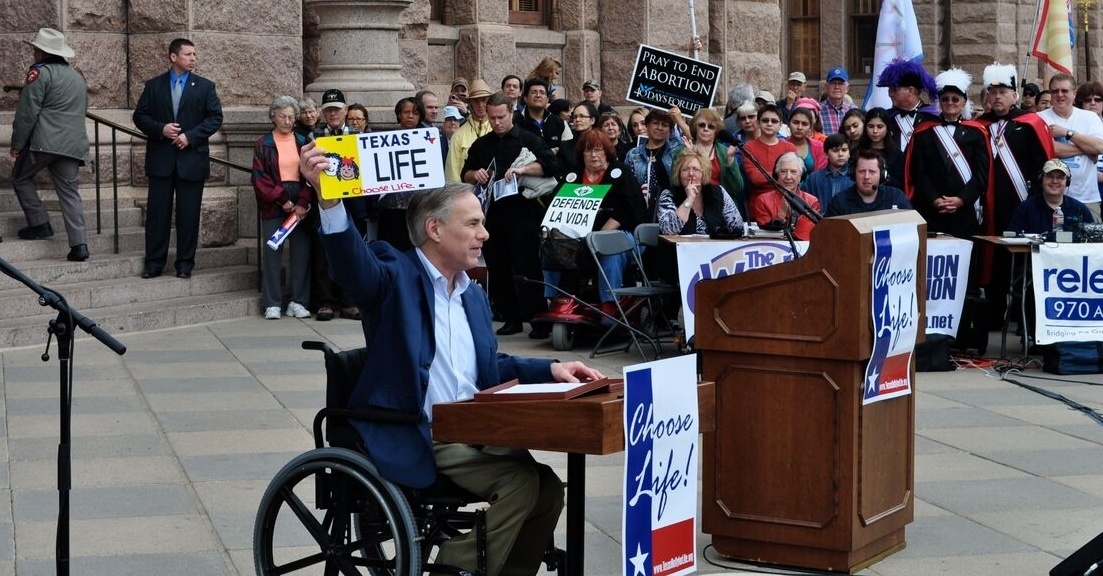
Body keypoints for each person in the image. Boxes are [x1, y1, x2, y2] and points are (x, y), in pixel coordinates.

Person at [300, 141, 605, 574]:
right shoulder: (394, 276)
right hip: (421, 430)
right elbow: (353, 268)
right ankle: (455, 568)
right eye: (474, 223)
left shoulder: (473, 295)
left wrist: (553, 368)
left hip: (476, 429)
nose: (485, 234)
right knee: (520, 485)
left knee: (550, 488)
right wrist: (328, 200)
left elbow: (489, 369)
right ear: (435, 229)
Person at [462, 92, 562, 338]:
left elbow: (551, 164)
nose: (497, 122)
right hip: (492, 215)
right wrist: (476, 175)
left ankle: (538, 318)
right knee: (498, 267)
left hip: (523, 213)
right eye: (492, 118)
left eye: (501, 117)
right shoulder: (481, 144)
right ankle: (510, 317)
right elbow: (465, 172)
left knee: (528, 266)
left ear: (512, 112)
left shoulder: (528, 138)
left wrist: (523, 169)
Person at [133, 37, 223, 279]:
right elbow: (140, 116)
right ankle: (153, 263)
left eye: (195, 54)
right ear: (173, 57)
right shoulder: (153, 86)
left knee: (188, 215)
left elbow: (215, 118)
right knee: (157, 215)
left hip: (191, 160)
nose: (193, 58)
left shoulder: (205, 87)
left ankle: (185, 264)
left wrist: (190, 136)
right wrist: (160, 129)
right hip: (161, 160)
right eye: (188, 54)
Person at [975, 63, 1055, 328]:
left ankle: (1025, 322)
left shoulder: (1030, 123)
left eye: (1003, 91)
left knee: (1025, 264)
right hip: (989, 207)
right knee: (994, 261)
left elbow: (1042, 164)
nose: (997, 96)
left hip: (1022, 205)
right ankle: (996, 316)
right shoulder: (978, 126)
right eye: (993, 91)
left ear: (1014, 96)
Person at [10, 28, 90, 260]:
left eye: (35, 50)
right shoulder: (77, 77)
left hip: (44, 143)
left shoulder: (39, 73)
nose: (33, 54)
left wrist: (18, 143)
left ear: (42, 53)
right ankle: (80, 246)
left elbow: (27, 113)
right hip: (73, 145)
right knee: (69, 194)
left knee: (20, 177)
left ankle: (39, 223)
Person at [550, 130, 649, 317]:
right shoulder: (573, 175)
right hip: (578, 237)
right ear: (581, 154)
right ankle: (559, 297)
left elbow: (628, 210)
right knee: (553, 246)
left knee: (610, 247)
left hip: (622, 234)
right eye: (588, 151)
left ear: (607, 152)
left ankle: (609, 303)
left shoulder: (620, 172)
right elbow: (556, 206)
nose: (593, 155)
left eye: (598, 150)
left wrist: (598, 236)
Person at [905, 68, 990, 238]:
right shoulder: (923, 132)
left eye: (955, 99)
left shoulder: (977, 132)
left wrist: (961, 200)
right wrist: (935, 199)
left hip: (965, 210)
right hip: (931, 209)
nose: (950, 102)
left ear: (964, 102)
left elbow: (981, 174)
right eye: (945, 99)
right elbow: (918, 173)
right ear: (940, 103)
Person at [251, 95, 311, 319]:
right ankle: (272, 303)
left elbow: (310, 175)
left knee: (301, 252)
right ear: (273, 117)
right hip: (274, 201)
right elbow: (259, 178)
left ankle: (298, 300)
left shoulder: (303, 142)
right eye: (282, 116)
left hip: (300, 201)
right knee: (272, 251)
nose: (287, 121)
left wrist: (303, 203)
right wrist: (282, 200)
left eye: (291, 117)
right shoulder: (263, 143)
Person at [1037, 73, 1103, 220]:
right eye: (1055, 91)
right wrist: (1086, 149)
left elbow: (1099, 147)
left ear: (1074, 93)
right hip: (1051, 200)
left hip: (1087, 198)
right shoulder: (1039, 118)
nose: (1060, 95)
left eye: (1064, 91)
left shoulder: (1090, 117)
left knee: (1092, 242)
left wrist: (1067, 133)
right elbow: (1050, 149)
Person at [674, 106, 746, 217]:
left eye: (711, 126)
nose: (706, 129)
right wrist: (688, 158)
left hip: (719, 206)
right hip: (690, 204)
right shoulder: (682, 151)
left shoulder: (724, 151)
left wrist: (730, 160)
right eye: (701, 125)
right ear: (694, 127)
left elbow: (736, 187)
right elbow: (674, 183)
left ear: (716, 130)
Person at [376, 97, 427, 251]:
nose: (410, 116)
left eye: (415, 113)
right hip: (391, 208)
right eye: (406, 112)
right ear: (398, 114)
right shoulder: (384, 139)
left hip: (419, 208)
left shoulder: (430, 138)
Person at [656, 149, 743, 236]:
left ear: (703, 172)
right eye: (685, 169)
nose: (690, 173)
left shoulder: (718, 192)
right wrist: (689, 200)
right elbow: (668, 230)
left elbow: (738, 227)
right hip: (677, 248)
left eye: (695, 169)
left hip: (712, 248)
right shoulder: (668, 195)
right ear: (679, 174)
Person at [1007, 158, 1095, 240]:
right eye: (1049, 176)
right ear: (1041, 179)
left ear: (1067, 182)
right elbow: (1014, 239)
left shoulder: (1079, 209)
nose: (1055, 181)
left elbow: (1093, 239)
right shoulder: (1025, 208)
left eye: (1060, 177)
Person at [625, 108, 684, 218]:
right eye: (655, 123)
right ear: (647, 126)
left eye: (665, 125)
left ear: (670, 130)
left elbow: (696, 140)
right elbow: (627, 186)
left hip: (671, 210)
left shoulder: (677, 151)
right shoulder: (633, 155)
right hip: (641, 211)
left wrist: (680, 121)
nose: (660, 128)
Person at [750, 152, 820, 240]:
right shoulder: (763, 200)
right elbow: (766, 235)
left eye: (793, 172)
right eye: (783, 171)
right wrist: (781, 216)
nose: (788, 176)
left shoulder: (812, 201)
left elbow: (804, 234)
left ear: (801, 175)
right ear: (776, 175)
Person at [875, 58, 938, 153]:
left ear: (910, 90)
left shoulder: (932, 116)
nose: (890, 94)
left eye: (894, 89)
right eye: (889, 89)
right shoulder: (886, 117)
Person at [826, 150, 911, 216]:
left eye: (872, 172)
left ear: (882, 175)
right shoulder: (839, 203)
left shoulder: (897, 198)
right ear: (853, 173)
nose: (866, 177)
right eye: (862, 171)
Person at [741, 104, 798, 202]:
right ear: (758, 123)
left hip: (787, 199)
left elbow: (793, 177)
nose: (769, 124)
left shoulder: (789, 148)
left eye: (774, 121)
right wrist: (782, 174)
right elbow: (755, 178)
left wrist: (768, 176)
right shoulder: (748, 148)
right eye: (765, 120)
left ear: (780, 124)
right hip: (759, 202)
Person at [444, 79, 493, 182]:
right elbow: (452, 173)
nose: (480, 105)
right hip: (467, 192)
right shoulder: (458, 134)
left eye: (484, 100)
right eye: (476, 101)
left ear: (489, 101)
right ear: (470, 103)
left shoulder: (497, 129)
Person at [803, 133, 853, 212]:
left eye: (844, 150)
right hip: (819, 222)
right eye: (835, 151)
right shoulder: (814, 179)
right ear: (826, 154)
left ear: (849, 153)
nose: (840, 154)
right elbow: (805, 203)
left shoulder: (854, 177)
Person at [855, 107, 902, 189]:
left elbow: (900, 182)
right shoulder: (858, 151)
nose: (875, 131)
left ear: (887, 128)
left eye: (880, 127)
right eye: (871, 126)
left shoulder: (896, 154)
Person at [513, 78, 564, 152]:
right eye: (533, 92)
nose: (538, 95)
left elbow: (567, 151)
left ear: (547, 99)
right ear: (525, 98)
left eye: (542, 93)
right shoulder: (515, 122)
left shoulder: (559, 122)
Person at [559, 101, 599, 175]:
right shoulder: (565, 146)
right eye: (575, 117)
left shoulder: (602, 144)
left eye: (582, 116)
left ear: (592, 120)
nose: (577, 120)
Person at [787, 107, 827, 176]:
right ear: (788, 124)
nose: (799, 127)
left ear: (810, 127)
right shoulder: (781, 145)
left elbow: (819, 175)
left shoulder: (819, 147)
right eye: (795, 123)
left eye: (804, 124)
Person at [820, 67, 855, 135]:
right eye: (833, 83)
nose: (836, 87)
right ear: (826, 87)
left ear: (847, 88)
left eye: (840, 83)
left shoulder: (853, 110)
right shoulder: (818, 111)